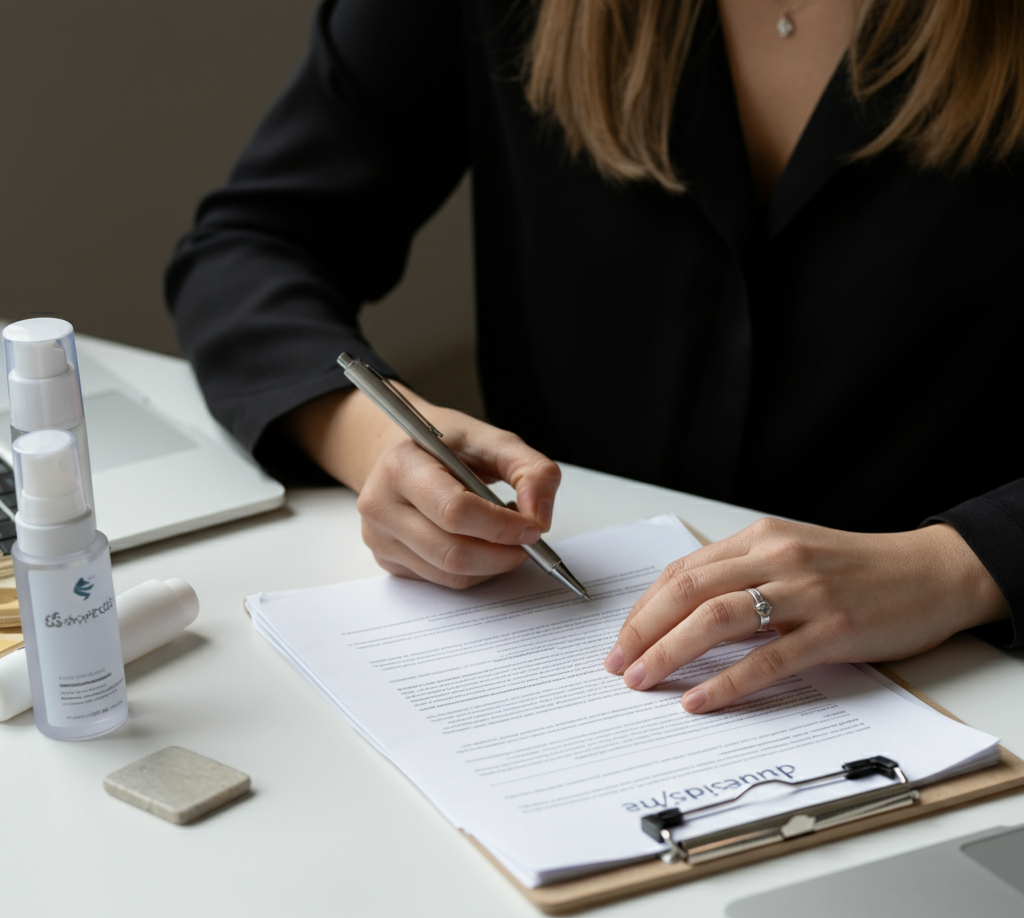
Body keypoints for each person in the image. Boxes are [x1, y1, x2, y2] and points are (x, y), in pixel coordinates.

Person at [166, 0, 1023, 715]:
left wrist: (958, 565)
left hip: (968, 676)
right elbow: (254, 245)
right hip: (559, 639)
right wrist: (381, 443)